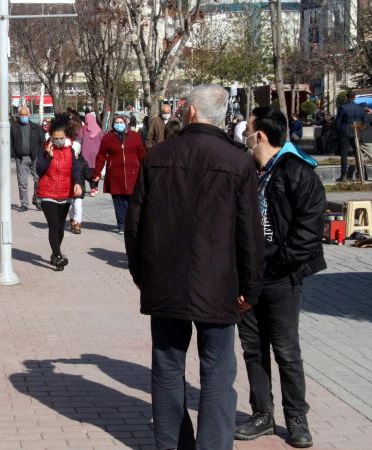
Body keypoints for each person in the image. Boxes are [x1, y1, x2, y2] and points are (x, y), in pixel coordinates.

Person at [125, 84, 265, 450]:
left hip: (166, 280)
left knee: (168, 367)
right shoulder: (238, 161)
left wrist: (143, 275)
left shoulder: (158, 156)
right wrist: (250, 287)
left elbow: (134, 225)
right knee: (217, 370)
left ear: (189, 112)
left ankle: (172, 443)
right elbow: (249, 232)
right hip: (220, 282)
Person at [235, 107, 326, 448]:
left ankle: (296, 417)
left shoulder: (298, 172)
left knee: (286, 350)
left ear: (259, 135)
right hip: (247, 278)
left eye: (248, 129)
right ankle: (262, 415)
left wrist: (275, 266)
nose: (243, 134)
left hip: (281, 277)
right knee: (253, 349)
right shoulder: (245, 171)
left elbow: (307, 232)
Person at [36, 119, 82, 271]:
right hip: (47, 193)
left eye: (61, 138)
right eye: (56, 138)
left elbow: (76, 168)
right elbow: (40, 170)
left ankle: (55, 254)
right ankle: (57, 255)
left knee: (61, 227)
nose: (59, 141)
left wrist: (77, 183)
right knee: (54, 225)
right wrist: (49, 156)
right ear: (51, 137)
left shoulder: (70, 151)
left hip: (65, 193)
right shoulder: (44, 150)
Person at [92, 114, 146, 234]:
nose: (119, 124)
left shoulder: (134, 136)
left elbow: (142, 154)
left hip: (133, 174)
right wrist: (97, 172)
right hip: (115, 175)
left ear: (126, 123)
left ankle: (132, 223)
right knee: (119, 201)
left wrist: (145, 169)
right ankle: (121, 224)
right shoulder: (108, 138)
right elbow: (101, 156)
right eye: (117, 122)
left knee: (132, 201)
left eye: (121, 122)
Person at [10, 106, 45, 211]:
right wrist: (14, 154)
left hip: (34, 157)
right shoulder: (14, 127)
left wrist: (40, 154)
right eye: (22, 114)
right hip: (21, 158)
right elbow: (10, 142)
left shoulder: (36, 127)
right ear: (18, 115)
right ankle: (24, 204)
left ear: (29, 115)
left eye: (26, 114)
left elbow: (42, 142)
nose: (24, 116)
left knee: (38, 179)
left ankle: (37, 199)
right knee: (22, 182)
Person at [335, 91, 366, 181]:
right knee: (357, 154)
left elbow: (338, 122)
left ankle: (343, 175)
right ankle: (360, 174)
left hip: (345, 131)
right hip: (356, 130)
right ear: (354, 97)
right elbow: (364, 120)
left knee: (344, 154)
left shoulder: (343, 107)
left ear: (346, 97)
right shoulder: (360, 108)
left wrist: (339, 132)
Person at [79, 112, 103, 199]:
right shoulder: (99, 130)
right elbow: (103, 140)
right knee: (96, 170)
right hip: (97, 153)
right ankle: (95, 188)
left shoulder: (83, 129)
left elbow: (80, 139)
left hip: (86, 153)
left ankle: (93, 188)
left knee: (88, 171)